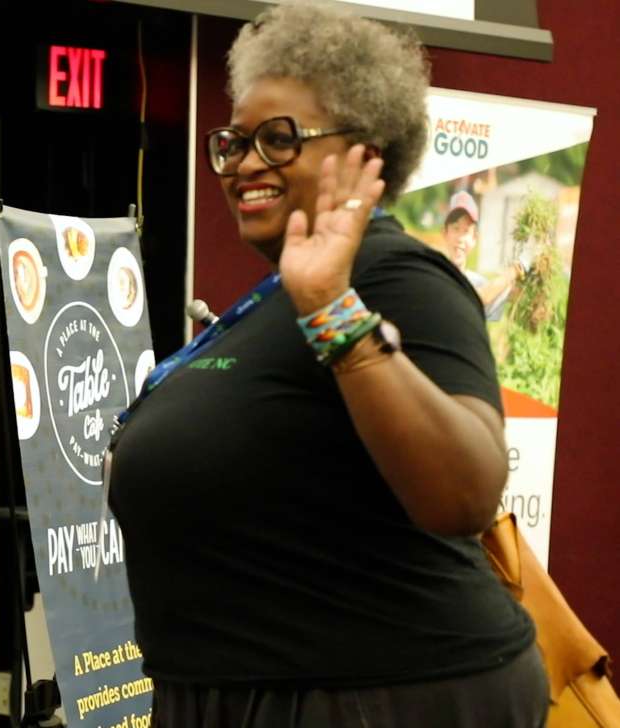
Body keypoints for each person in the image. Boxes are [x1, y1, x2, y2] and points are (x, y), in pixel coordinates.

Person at [106, 5, 546, 726]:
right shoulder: (273, 300)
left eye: (278, 140)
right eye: (235, 142)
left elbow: (466, 494)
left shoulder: (396, 278)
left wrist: (333, 311)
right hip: (238, 691)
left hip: (376, 696)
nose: (246, 163)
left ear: (367, 151)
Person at [442, 190, 522, 321]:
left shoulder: (478, 282)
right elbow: (479, 298)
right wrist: (512, 271)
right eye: (455, 229)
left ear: (474, 238)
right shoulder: (437, 275)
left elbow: (502, 294)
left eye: (466, 231)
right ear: (445, 233)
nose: (460, 239)